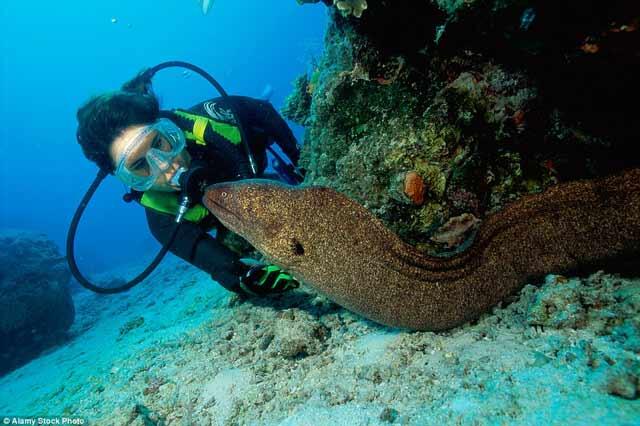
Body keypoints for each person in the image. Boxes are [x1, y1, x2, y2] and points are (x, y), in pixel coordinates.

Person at [75, 71, 302, 296]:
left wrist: (300, 161)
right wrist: (247, 278)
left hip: (255, 163)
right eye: (139, 165)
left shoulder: (216, 117)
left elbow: (263, 112)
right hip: (229, 220)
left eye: (158, 143)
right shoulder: (162, 220)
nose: (164, 166)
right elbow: (222, 268)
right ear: (127, 178)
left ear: (169, 129)